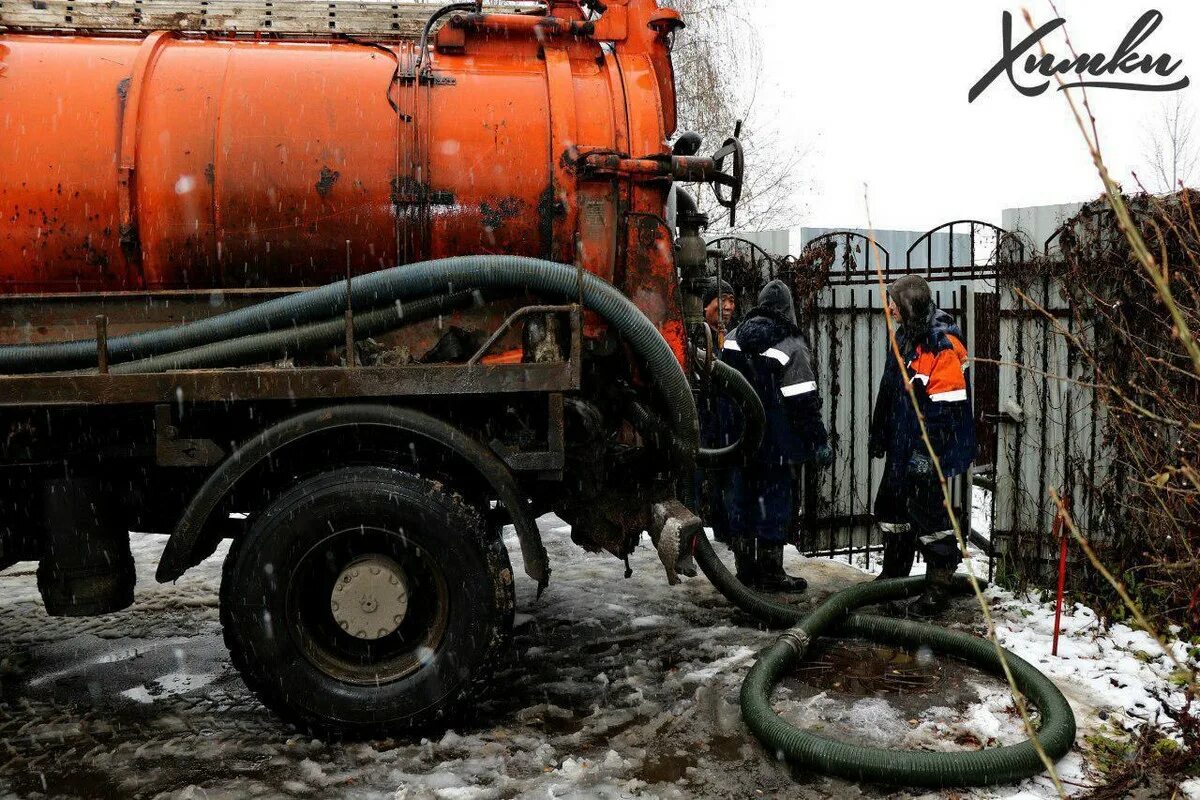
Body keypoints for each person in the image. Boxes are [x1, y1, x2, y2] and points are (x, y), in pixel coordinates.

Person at [869, 274, 976, 614]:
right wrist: (880, 432)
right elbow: (890, 390)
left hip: (930, 447)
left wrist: (925, 455)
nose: (889, 309)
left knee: (930, 515)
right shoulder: (904, 337)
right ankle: (895, 575)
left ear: (908, 305)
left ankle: (938, 588)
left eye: (894, 302)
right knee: (891, 506)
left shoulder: (940, 344)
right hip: (903, 441)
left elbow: (946, 409)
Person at [720, 279, 830, 592]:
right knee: (775, 502)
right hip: (777, 445)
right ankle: (770, 574)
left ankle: (745, 571)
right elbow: (803, 403)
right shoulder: (791, 345)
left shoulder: (731, 339)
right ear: (788, 310)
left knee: (742, 501)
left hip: (739, 441)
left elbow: (719, 393)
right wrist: (818, 442)